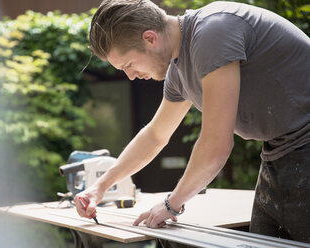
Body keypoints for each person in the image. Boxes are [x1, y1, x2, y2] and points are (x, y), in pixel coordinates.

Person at [75, 0, 310, 243]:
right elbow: (155, 135)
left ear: (150, 39)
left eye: (129, 65)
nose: (131, 76)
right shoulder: (179, 72)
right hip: (280, 152)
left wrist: (172, 204)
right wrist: (99, 188)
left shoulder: (213, 31)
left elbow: (216, 144)